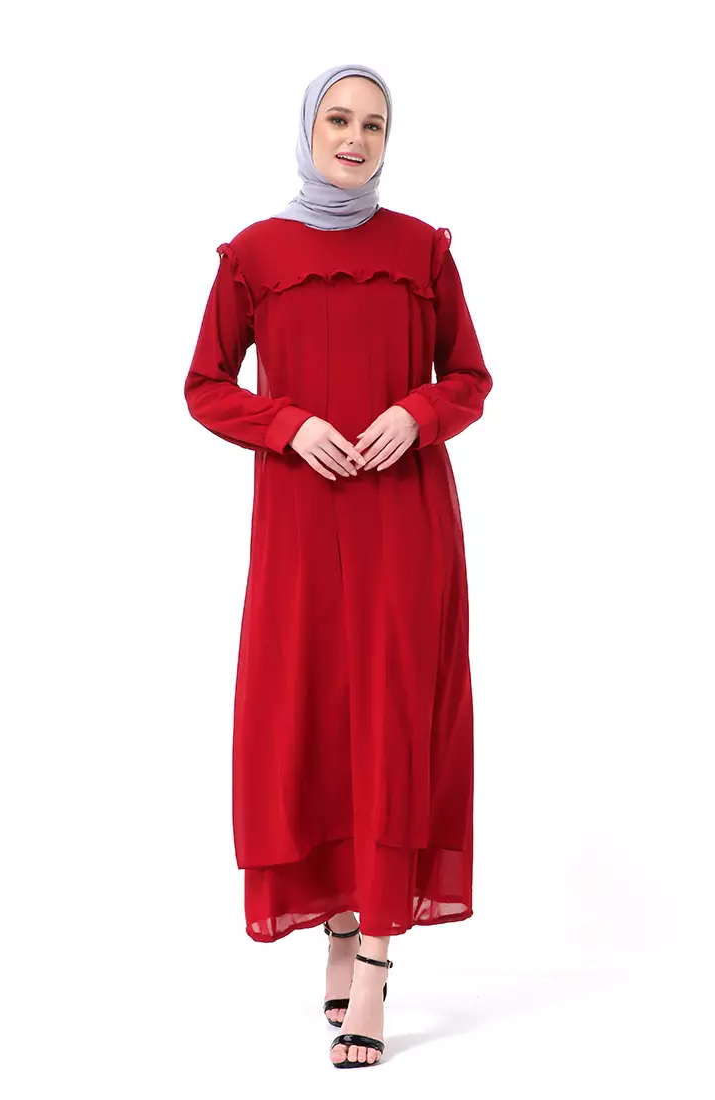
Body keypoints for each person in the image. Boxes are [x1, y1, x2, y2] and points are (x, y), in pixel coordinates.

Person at [184, 62, 493, 1069]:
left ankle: (375, 963)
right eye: (338, 120)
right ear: (309, 129)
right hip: (301, 526)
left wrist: (417, 412)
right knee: (313, 714)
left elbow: (470, 375)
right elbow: (204, 384)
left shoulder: (422, 250)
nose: (355, 138)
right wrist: (286, 423)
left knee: (394, 719)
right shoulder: (254, 254)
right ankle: (337, 919)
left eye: (374, 124)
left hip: (405, 522)